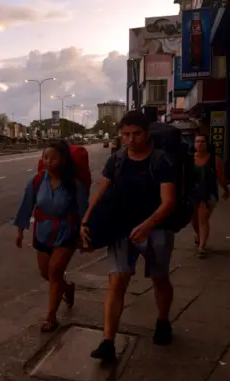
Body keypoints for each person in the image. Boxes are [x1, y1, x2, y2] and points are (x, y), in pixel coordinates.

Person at [81, 110, 177, 362]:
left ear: (146, 133)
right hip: (121, 227)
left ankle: (163, 321)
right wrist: (86, 220)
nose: (131, 139)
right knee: (117, 280)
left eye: (136, 134)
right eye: (125, 135)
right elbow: (101, 193)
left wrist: (148, 224)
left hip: (156, 229)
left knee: (159, 278)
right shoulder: (117, 160)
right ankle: (108, 341)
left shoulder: (161, 160)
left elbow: (169, 202)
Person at [14, 140, 89, 333]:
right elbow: (26, 204)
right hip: (43, 232)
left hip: (66, 232)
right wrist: (20, 231)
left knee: (55, 271)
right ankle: (67, 288)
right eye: (45, 157)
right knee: (45, 273)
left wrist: (85, 234)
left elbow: (84, 211)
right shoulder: (37, 181)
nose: (47, 161)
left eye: (53, 158)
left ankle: (51, 316)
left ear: (63, 160)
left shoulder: (74, 184)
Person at [190, 132, 229, 258]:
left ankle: (202, 247)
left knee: (203, 219)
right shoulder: (189, 158)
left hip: (208, 194)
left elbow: (221, 177)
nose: (200, 144)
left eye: (202, 141)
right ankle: (199, 235)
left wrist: (226, 190)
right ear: (194, 144)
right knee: (193, 220)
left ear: (207, 144)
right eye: (197, 141)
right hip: (192, 194)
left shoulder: (214, 159)